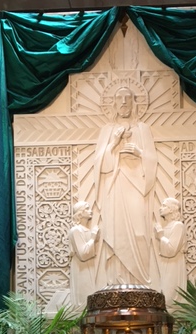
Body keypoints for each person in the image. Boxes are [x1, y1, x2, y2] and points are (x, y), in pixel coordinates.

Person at [94, 85, 157, 286]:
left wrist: (139, 153)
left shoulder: (142, 129)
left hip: (136, 187)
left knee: (139, 231)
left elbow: (152, 160)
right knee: (115, 231)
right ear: (113, 103)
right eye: (119, 98)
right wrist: (113, 143)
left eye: (127, 98)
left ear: (134, 102)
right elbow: (100, 165)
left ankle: (141, 281)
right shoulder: (107, 131)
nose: (123, 102)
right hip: (114, 186)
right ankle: (116, 281)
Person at [154, 197, 187, 306]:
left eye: (164, 206)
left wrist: (161, 236)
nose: (160, 208)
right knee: (163, 293)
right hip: (165, 264)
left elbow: (172, 250)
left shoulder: (178, 226)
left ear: (172, 209)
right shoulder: (167, 226)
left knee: (170, 298)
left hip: (174, 265)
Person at [68, 201, 100, 309]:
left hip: (89, 267)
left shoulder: (86, 230)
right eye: (87, 208)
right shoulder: (75, 231)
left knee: (90, 293)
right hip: (81, 269)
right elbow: (83, 254)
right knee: (83, 298)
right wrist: (93, 238)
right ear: (80, 213)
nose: (90, 211)